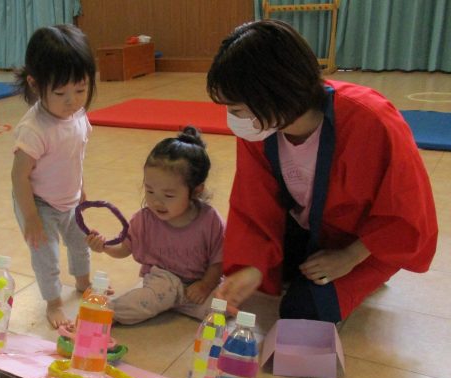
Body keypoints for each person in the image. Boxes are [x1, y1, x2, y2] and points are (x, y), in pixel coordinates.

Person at [206, 20, 437, 323]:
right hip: (309, 228)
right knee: (260, 279)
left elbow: (405, 211)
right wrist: (252, 266)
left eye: (236, 110)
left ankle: (370, 273)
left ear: (273, 96)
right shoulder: (261, 129)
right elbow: (253, 204)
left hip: (361, 241)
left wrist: (350, 257)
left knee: (304, 311)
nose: (233, 120)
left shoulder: (370, 120)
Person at [87, 126, 225, 324]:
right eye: (150, 191)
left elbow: (218, 262)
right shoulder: (144, 219)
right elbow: (125, 248)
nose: (156, 202)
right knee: (148, 297)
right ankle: (107, 312)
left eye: (168, 195)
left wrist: (204, 285)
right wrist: (105, 246)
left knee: (223, 306)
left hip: (198, 286)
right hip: (162, 281)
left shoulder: (210, 220)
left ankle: (178, 304)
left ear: (196, 191)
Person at [11, 24, 96, 329]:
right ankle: (53, 303)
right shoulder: (34, 129)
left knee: (79, 243)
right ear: (35, 84)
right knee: (46, 257)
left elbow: (76, 155)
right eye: (60, 93)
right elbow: (19, 178)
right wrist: (31, 217)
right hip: (38, 202)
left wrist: (81, 188)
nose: (72, 100)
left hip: (70, 198)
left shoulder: (78, 115)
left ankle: (84, 284)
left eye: (81, 89)